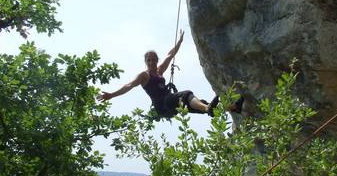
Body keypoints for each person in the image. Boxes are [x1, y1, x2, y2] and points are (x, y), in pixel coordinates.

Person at [98, 31, 243, 118]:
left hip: (170, 103)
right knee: (186, 94)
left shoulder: (160, 71)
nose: (152, 62)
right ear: (145, 62)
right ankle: (207, 109)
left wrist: (179, 42)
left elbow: (170, 54)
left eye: (154, 60)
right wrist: (111, 95)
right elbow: (129, 85)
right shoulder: (144, 76)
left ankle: (232, 108)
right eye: (149, 60)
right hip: (162, 105)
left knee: (201, 104)